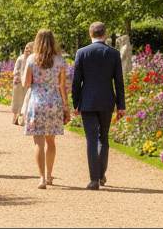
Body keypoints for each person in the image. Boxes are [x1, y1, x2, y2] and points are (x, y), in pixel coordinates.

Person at [72, 22, 125, 190]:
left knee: (91, 140)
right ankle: (101, 174)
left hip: (87, 101)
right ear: (105, 34)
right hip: (106, 100)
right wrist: (121, 105)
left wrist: (76, 103)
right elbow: (119, 81)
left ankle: (94, 179)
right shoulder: (113, 54)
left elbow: (76, 81)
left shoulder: (82, 53)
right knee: (104, 137)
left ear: (90, 34)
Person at [25, 30, 71, 189]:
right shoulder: (60, 61)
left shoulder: (32, 59)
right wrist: (66, 107)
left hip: (37, 102)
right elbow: (63, 86)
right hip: (54, 102)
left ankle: (42, 178)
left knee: (38, 142)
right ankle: (50, 175)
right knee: (51, 142)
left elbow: (25, 83)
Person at [11, 42, 34, 126]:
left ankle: (23, 119)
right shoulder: (20, 58)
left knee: (25, 101)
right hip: (19, 83)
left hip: (28, 83)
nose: (27, 50)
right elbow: (16, 71)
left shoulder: (32, 59)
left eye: (29, 48)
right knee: (17, 101)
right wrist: (19, 78)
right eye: (26, 48)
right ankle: (15, 118)